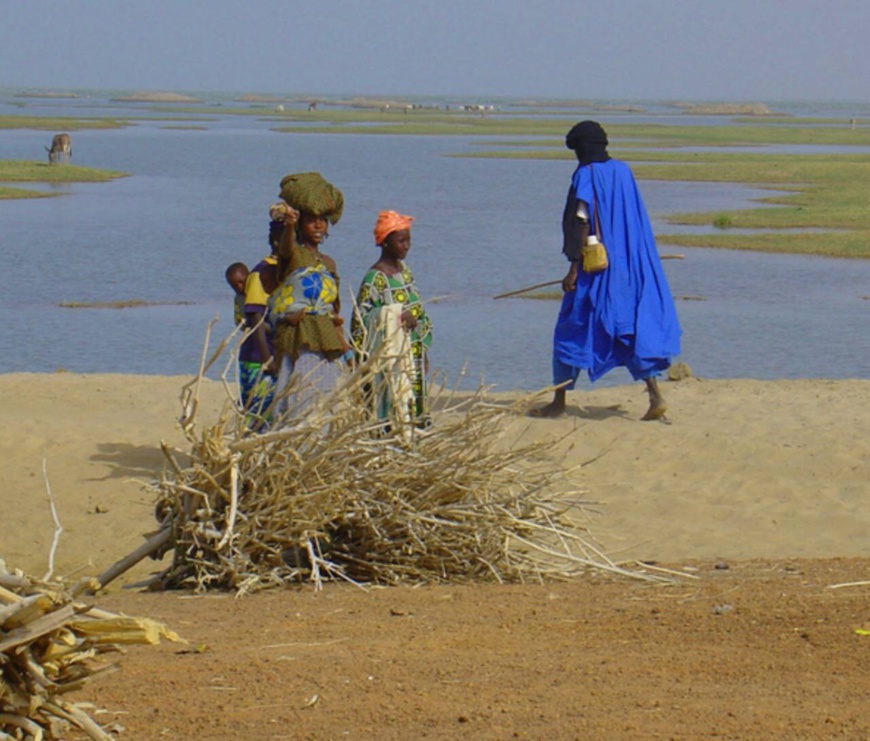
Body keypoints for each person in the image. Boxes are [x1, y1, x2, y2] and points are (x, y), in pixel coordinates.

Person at [531, 120, 682, 421]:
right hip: (630, 269)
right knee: (626, 331)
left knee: (569, 330)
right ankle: (655, 395)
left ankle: (558, 402)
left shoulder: (586, 175)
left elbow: (581, 221)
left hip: (597, 270)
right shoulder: (623, 171)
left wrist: (574, 268)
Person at [267, 172, 350, 418]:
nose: (318, 225)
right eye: (311, 220)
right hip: (298, 337)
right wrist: (289, 224)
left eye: (322, 220)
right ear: (301, 223)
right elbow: (284, 249)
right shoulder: (294, 255)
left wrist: (347, 351)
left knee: (323, 402)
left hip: (325, 338)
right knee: (296, 398)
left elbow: (333, 310)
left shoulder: (329, 263)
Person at [351, 210, 433, 429]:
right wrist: (394, 315)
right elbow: (360, 322)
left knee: (413, 408)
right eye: (401, 240)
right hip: (387, 362)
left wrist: (422, 351)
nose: (406, 245)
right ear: (385, 242)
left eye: (408, 240)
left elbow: (419, 312)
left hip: (412, 355)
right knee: (390, 410)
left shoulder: (406, 272)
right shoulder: (374, 279)